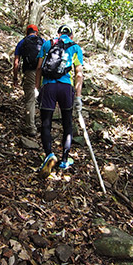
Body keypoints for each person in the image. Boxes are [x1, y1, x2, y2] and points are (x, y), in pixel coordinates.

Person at [35, 25, 83, 177]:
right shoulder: (76, 48)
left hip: (48, 86)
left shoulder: (48, 44)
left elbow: (38, 68)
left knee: (46, 123)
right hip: (65, 88)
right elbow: (79, 74)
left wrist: (37, 88)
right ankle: (64, 160)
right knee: (67, 123)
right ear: (71, 35)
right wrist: (79, 97)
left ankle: (49, 154)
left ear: (58, 33)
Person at [13, 24, 44, 136]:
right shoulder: (42, 41)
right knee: (43, 97)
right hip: (42, 72)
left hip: (29, 72)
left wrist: (15, 78)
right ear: (36, 32)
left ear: (27, 32)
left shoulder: (22, 43)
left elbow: (16, 63)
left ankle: (31, 128)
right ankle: (45, 125)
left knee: (30, 99)